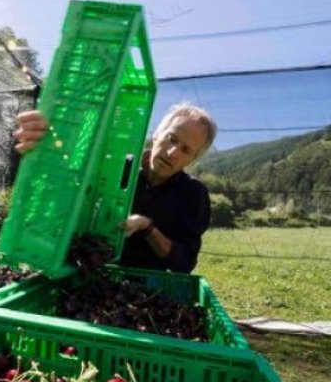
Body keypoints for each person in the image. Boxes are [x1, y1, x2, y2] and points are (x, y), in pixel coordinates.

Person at [14, 103, 217, 273]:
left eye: (186, 150)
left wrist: (148, 228)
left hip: (145, 288)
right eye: (172, 139)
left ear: (193, 159)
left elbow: (184, 263)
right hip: (86, 270)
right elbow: (67, 180)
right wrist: (46, 144)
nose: (173, 152)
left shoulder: (193, 194)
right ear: (156, 135)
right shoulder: (116, 163)